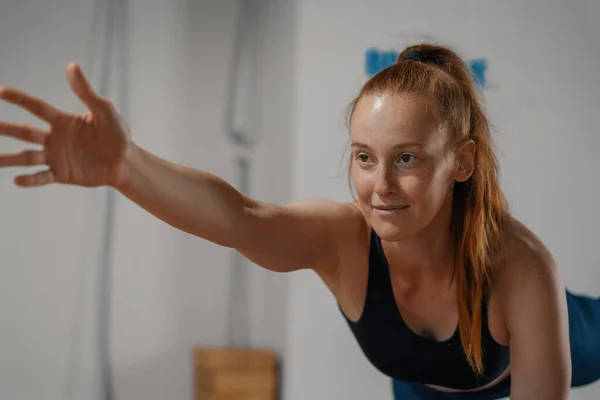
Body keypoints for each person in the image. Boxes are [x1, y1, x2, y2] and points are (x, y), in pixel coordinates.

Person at [0, 43, 598, 400]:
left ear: (462, 161)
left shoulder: (518, 266)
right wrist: (126, 166)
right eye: (364, 158)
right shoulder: (342, 241)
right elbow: (241, 218)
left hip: (553, 343)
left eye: (407, 159)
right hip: (421, 383)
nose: (380, 186)